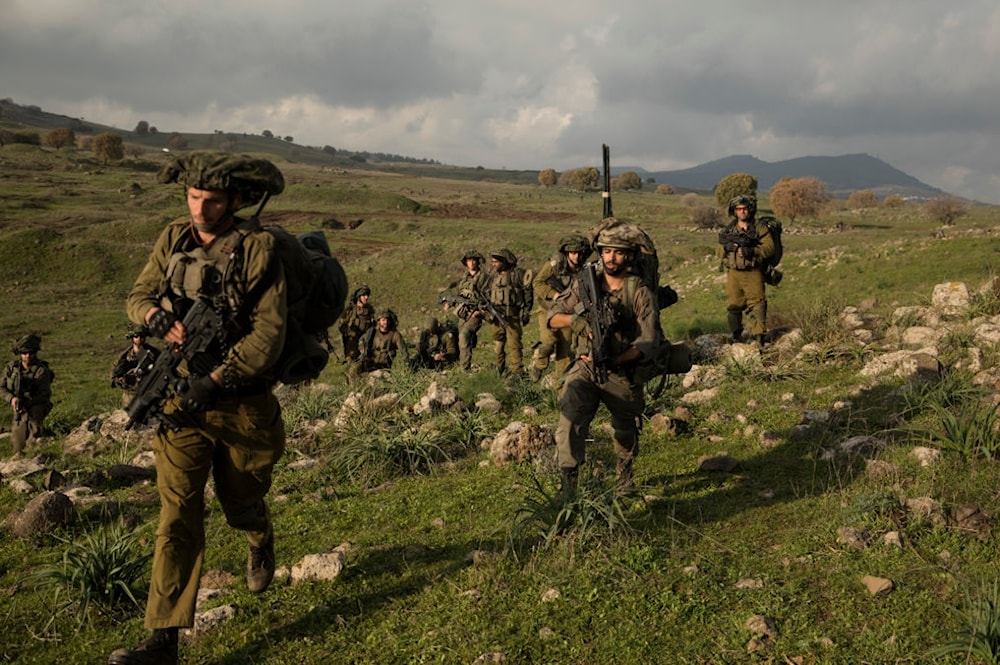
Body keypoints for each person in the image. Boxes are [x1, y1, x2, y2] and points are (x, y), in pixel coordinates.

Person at [109, 152, 287, 665]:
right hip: (180, 404)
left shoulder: (257, 249)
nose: (200, 208)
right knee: (178, 516)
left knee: (241, 502)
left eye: (211, 200)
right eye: (192, 197)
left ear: (234, 200)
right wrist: (154, 315)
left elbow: (268, 336)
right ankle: (163, 639)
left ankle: (259, 536)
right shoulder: (174, 238)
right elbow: (139, 293)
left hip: (241, 406)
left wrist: (216, 379)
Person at [548, 222, 659, 489]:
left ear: (629, 256)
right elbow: (553, 317)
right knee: (569, 422)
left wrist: (617, 360)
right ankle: (569, 488)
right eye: (607, 251)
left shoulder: (639, 292)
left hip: (621, 369)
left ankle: (624, 473)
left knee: (624, 430)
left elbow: (649, 341)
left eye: (618, 252)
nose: (611, 258)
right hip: (586, 366)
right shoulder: (585, 284)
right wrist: (576, 321)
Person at [530, 234, 591, 384]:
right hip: (548, 311)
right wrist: (554, 294)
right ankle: (540, 363)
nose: (576, 256)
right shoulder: (555, 265)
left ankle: (560, 388)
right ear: (566, 253)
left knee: (565, 351)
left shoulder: (584, 269)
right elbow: (537, 282)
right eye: (573, 253)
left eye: (579, 253)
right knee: (549, 342)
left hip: (568, 313)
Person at [717, 194, 775, 345]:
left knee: (758, 304)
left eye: (745, 209)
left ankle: (760, 339)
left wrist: (753, 251)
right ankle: (737, 337)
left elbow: (770, 248)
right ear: (734, 211)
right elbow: (718, 250)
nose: (742, 212)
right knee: (734, 305)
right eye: (739, 209)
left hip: (753, 272)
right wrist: (725, 248)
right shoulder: (729, 231)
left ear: (750, 210)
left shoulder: (759, 228)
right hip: (734, 273)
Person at [1, 333, 54, 457]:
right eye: (25, 353)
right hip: (19, 408)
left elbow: (44, 394)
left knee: (34, 436)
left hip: (37, 406)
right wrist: (11, 399)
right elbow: (1, 387)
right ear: (20, 354)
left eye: (31, 353)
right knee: (18, 442)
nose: (28, 356)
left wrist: (28, 403)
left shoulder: (41, 370)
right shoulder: (11, 368)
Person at [486, 248, 534, 376]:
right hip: (496, 317)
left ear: (504, 261)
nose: (493, 264)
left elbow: (528, 292)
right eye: (493, 261)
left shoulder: (517, 275)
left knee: (514, 345)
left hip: (512, 316)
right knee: (498, 345)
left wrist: (526, 311)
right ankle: (499, 369)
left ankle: (517, 372)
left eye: (496, 261)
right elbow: (487, 294)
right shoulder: (493, 277)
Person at [446, 250, 490, 370]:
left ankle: (464, 368)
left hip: (475, 313)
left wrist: (480, 311)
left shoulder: (483, 278)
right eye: (469, 260)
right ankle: (460, 363)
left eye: (474, 260)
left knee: (464, 336)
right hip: (463, 313)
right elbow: (460, 294)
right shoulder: (464, 277)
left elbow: (488, 297)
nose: (472, 262)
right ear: (466, 262)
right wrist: (450, 303)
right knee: (460, 339)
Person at [111, 323, 160, 408]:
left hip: (150, 394)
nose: (139, 339)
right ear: (132, 338)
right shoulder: (124, 357)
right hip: (131, 397)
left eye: (142, 337)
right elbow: (114, 375)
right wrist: (122, 380)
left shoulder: (154, 354)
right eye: (136, 336)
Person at [349, 309, 406, 378]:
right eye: (383, 320)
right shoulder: (372, 332)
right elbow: (362, 340)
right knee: (353, 370)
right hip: (370, 363)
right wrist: (362, 347)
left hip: (384, 367)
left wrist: (406, 366)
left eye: (387, 320)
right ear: (379, 321)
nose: (386, 322)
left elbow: (404, 351)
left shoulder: (395, 335)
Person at [338, 285, 375, 361]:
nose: (366, 297)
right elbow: (341, 326)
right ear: (359, 297)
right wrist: (352, 333)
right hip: (352, 343)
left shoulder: (370, 310)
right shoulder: (350, 310)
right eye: (364, 295)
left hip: (366, 341)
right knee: (351, 362)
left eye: (367, 295)